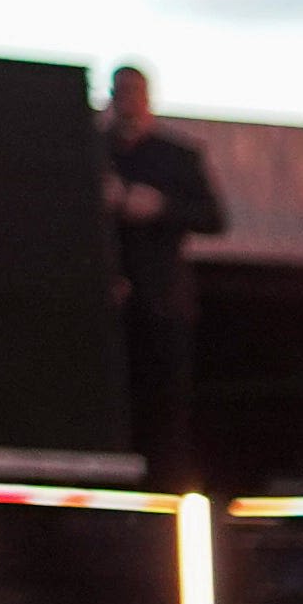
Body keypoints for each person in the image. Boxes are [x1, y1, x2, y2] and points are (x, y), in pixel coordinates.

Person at [101, 64, 225, 489]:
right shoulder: (96, 152)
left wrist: (159, 208)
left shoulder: (177, 155)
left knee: (166, 404)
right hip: (109, 297)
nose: (128, 103)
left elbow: (214, 218)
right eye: (121, 94)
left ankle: (168, 486)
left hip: (162, 298)